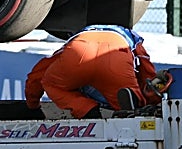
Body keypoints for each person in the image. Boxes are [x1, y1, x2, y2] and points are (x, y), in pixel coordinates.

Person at [25, 24, 165, 118]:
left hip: (78, 52)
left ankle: (86, 108)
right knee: (126, 102)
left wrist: (33, 105)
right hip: (116, 56)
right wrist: (152, 101)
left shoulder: (82, 35)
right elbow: (146, 68)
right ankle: (133, 106)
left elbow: (37, 74)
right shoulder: (131, 36)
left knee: (51, 83)